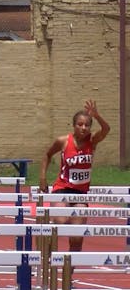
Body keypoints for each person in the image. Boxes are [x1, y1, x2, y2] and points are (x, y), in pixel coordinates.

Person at [39, 99, 110, 254]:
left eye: (86, 125)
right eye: (80, 124)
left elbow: (106, 129)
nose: (83, 128)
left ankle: (69, 269)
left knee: (77, 236)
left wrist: (97, 115)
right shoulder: (63, 141)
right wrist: (43, 178)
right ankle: (49, 246)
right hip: (62, 189)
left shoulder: (93, 141)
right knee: (60, 221)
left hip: (80, 193)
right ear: (74, 125)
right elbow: (47, 155)